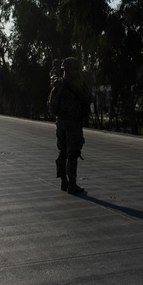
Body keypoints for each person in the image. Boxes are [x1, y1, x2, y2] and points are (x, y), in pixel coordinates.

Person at [48, 56, 92, 194]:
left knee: (63, 153)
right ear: (70, 69)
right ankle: (71, 184)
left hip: (61, 123)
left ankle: (64, 182)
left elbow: (52, 106)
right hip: (72, 124)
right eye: (76, 69)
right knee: (72, 154)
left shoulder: (58, 84)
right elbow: (86, 98)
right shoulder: (74, 85)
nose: (77, 72)